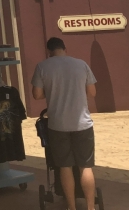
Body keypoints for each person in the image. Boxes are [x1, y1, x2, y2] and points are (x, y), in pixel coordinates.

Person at [32, 37, 97, 210]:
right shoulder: (81, 64)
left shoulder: (42, 67)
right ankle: (91, 207)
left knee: (65, 166)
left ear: (49, 51)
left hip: (58, 125)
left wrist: (53, 92)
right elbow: (92, 92)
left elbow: (37, 95)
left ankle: (71, 207)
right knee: (85, 166)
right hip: (83, 123)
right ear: (64, 48)